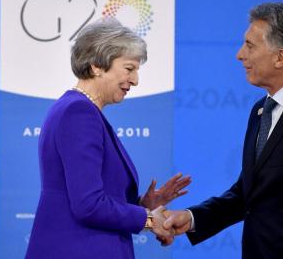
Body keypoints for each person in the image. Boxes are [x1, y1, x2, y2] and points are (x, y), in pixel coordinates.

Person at [163, 2, 283, 259]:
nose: (240, 55)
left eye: (250, 45)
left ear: (280, 57)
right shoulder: (260, 111)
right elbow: (248, 194)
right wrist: (193, 217)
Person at [25, 18, 191, 259]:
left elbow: (94, 196)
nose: (135, 80)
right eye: (129, 68)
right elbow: (89, 205)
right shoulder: (78, 113)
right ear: (96, 65)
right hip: (80, 249)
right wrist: (148, 219)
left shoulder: (77, 109)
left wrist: (142, 205)